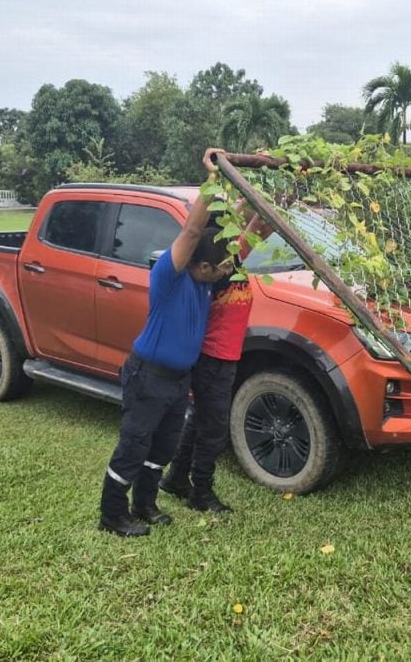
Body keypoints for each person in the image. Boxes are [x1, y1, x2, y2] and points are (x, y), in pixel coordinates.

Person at [99, 149, 232, 538]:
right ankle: (112, 514)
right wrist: (212, 180)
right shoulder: (170, 276)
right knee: (135, 444)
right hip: (148, 375)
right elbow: (192, 232)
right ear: (201, 265)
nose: (227, 270)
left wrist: (269, 193)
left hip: (177, 379)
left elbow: (246, 244)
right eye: (219, 266)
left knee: (163, 448)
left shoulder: (209, 283)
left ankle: (145, 503)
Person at [159, 200, 274, 513]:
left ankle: (176, 479)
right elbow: (254, 226)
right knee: (213, 428)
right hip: (213, 358)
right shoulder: (220, 271)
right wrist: (251, 202)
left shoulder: (229, 263)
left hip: (223, 356)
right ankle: (201, 492)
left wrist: (284, 194)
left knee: (200, 419)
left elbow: (263, 226)